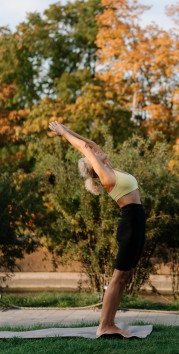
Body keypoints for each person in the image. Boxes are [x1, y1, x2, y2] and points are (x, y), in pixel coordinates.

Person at [48, 121, 146, 338]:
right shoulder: (107, 177)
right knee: (119, 276)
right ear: (94, 165)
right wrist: (63, 133)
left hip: (138, 221)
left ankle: (110, 322)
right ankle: (104, 325)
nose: (97, 151)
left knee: (126, 275)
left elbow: (88, 143)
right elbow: (84, 148)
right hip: (130, 223)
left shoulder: (111, 168)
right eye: (94, 155)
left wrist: (66, 128)